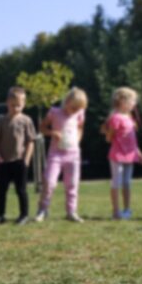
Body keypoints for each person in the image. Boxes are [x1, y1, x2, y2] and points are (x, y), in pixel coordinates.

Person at [35, 87, 88, 223]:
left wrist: (77, 141)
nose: (76, 111)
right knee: (50, 182)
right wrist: (53, 133)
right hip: (56, 154)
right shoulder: (54, 112)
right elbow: (42, 128)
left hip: (73, 154)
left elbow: (80, 127)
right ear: (67, 101)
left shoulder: (79, 113)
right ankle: (42, 209)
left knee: (72, 183)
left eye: (79, 109)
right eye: (74, 107)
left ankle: (71, 211)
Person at [0, 87, 36, 226]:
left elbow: (30, 142)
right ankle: (0, 215)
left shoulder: (26, 121)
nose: (16, 108)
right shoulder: (0, 122)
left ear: (24, 104)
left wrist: (26, 160)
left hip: (19, 161)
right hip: (4, 162)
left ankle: (24, 215)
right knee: (1, 190)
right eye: (13, 105)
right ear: (7, 103)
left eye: (19, 105)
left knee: (21, 190)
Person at [100, 87, 142, 220]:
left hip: (130, 156)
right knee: (117, 182)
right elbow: (109, 138)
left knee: (127, 183)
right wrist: (112, 134)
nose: (134, 104)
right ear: (122, 101)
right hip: (117, 156)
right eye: (132, 101)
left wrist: (139, 153)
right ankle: (116, 211)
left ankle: (127, 210)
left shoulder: (129, 118)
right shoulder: (115, 118)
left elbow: (133, 141)